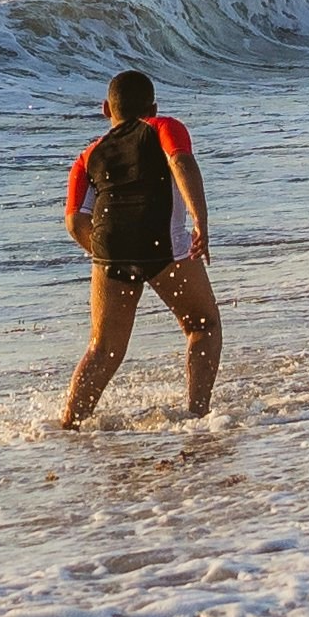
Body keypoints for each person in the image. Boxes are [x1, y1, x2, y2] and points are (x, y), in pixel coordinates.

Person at [58, 68, 219, 426]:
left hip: (110, 246)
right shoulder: (163, 126)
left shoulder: (88, 156)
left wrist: (104, 256)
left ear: (105, 110)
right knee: (203, 326)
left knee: (103, 348)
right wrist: (199, 222)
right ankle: (197, 415)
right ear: (154, 106)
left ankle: (69, 425)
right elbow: (180, 163)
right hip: (163, 243)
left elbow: (74, 221)